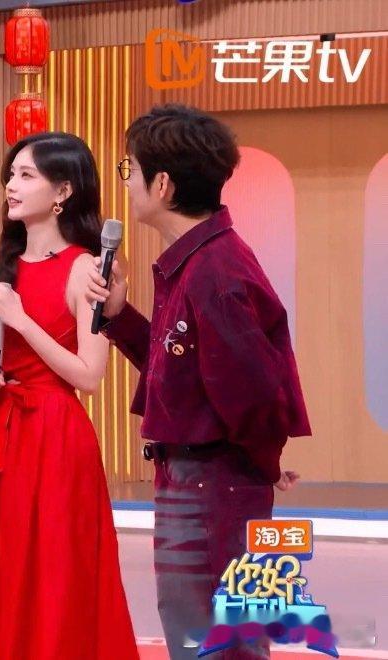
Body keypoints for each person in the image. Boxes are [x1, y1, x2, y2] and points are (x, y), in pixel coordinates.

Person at [86, 104, 310, 659]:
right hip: (201, 481)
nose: (127, 182)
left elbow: (254, 393)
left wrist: (264, 463)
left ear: (162, 184)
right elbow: (180, 369)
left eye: (131, 169)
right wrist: (118, 316)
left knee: (214, 640)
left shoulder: (215, 271)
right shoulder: (199, 261)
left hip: (213, 485)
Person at [0, 132, 139, 660]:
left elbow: (89, 374)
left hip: (54, 436)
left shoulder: (86, 268)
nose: (11, 185)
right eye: (11, 174)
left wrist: (22, 320)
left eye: (26, 175)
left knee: (55, 573)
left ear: (63, 192)